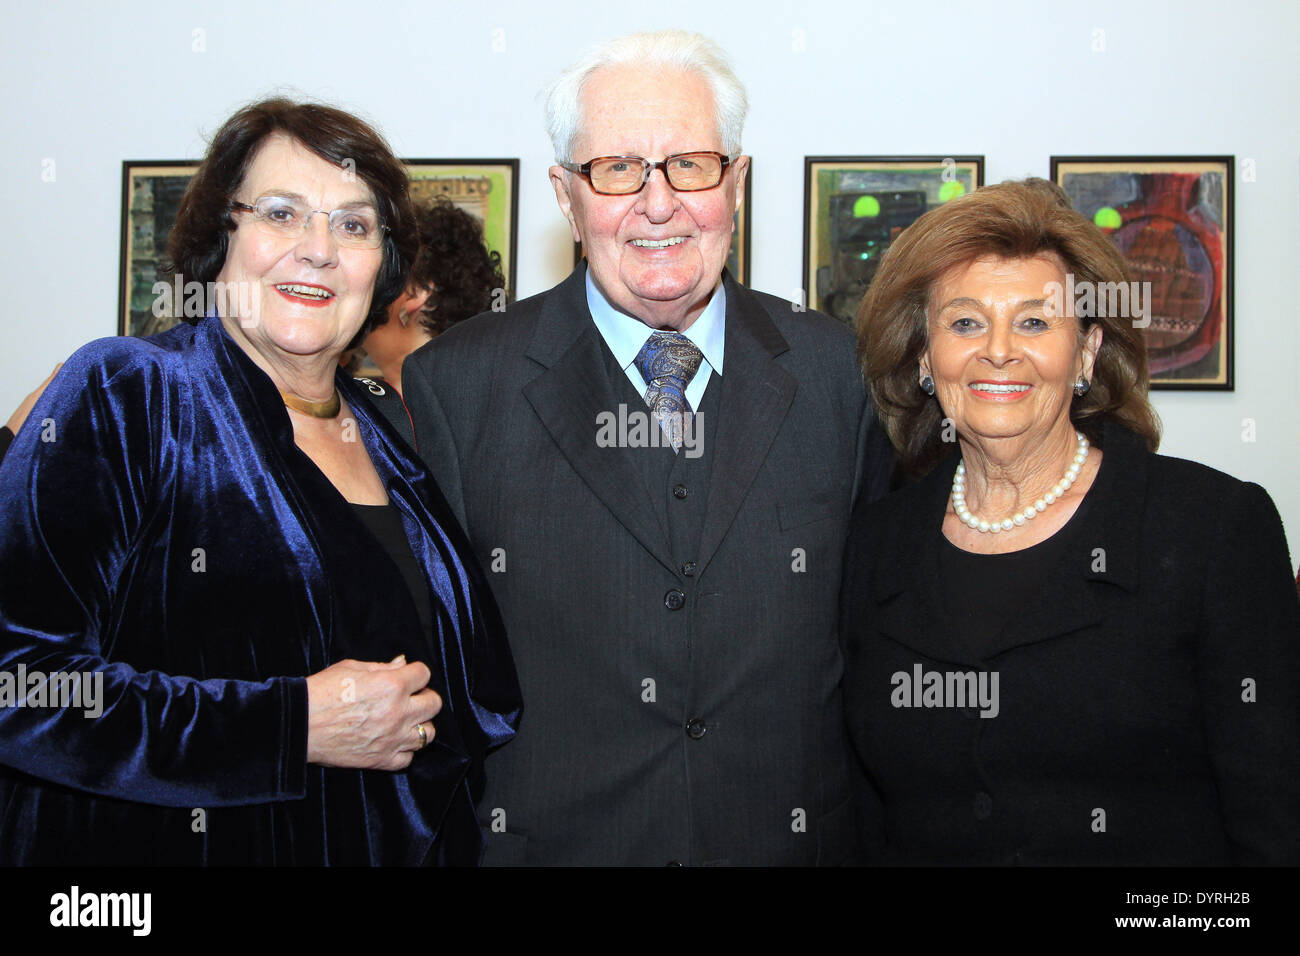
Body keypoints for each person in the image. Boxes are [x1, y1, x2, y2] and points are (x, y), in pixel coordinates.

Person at [402, 30, 892, 865]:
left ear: (736, 182)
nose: (657, 204)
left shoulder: (838, 374)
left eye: (690, 165)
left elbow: (878, 639)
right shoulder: (456, 385)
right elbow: (436, 666)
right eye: (619, 168)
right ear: (565, 193)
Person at [0, 98, 521, 865]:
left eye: (353, 225)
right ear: (222, 234)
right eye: (282, 213)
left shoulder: (393, 433)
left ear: (385, 267)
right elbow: (18, 685)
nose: (317, 250)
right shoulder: (129, 392)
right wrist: (289, 725)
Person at [842, 177, 1300, 864]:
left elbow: (1275, 823)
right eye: (965, 322)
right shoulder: (877, 545)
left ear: (1085, 351)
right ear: (924, 358)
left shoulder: (1212, 529)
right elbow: (868, 820)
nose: (1000, 350)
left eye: (1034, 321)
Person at [347, 198, 506, 448]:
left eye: (381, 274)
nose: (359, 287)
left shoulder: (475, 414)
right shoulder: (367, 406)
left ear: (416, 290)